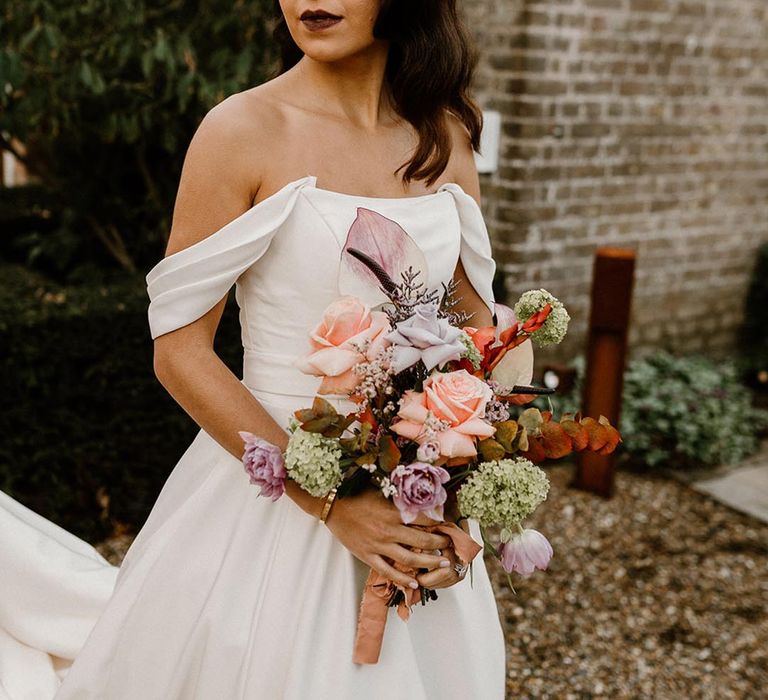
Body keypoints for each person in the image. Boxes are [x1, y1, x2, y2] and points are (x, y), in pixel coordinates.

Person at [0, 1, 507, 697]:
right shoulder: (243, 129)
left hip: (413, 498)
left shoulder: (443, 134)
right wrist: (331, 501)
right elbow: (179, 351)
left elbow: (478, 328)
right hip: (270, 490)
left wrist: (465, 472)